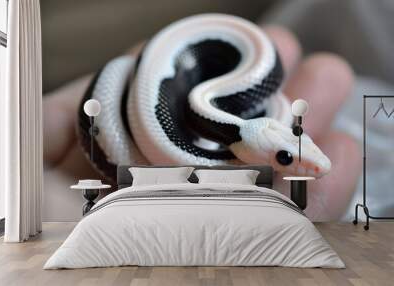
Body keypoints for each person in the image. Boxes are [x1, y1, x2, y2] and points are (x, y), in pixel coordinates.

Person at [42, 26, 361, 221]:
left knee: (121, 68)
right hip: (118, 147)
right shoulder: (204, 129)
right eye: (285, 158)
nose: (302, 165)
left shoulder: (221, 116)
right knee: (121, 69)